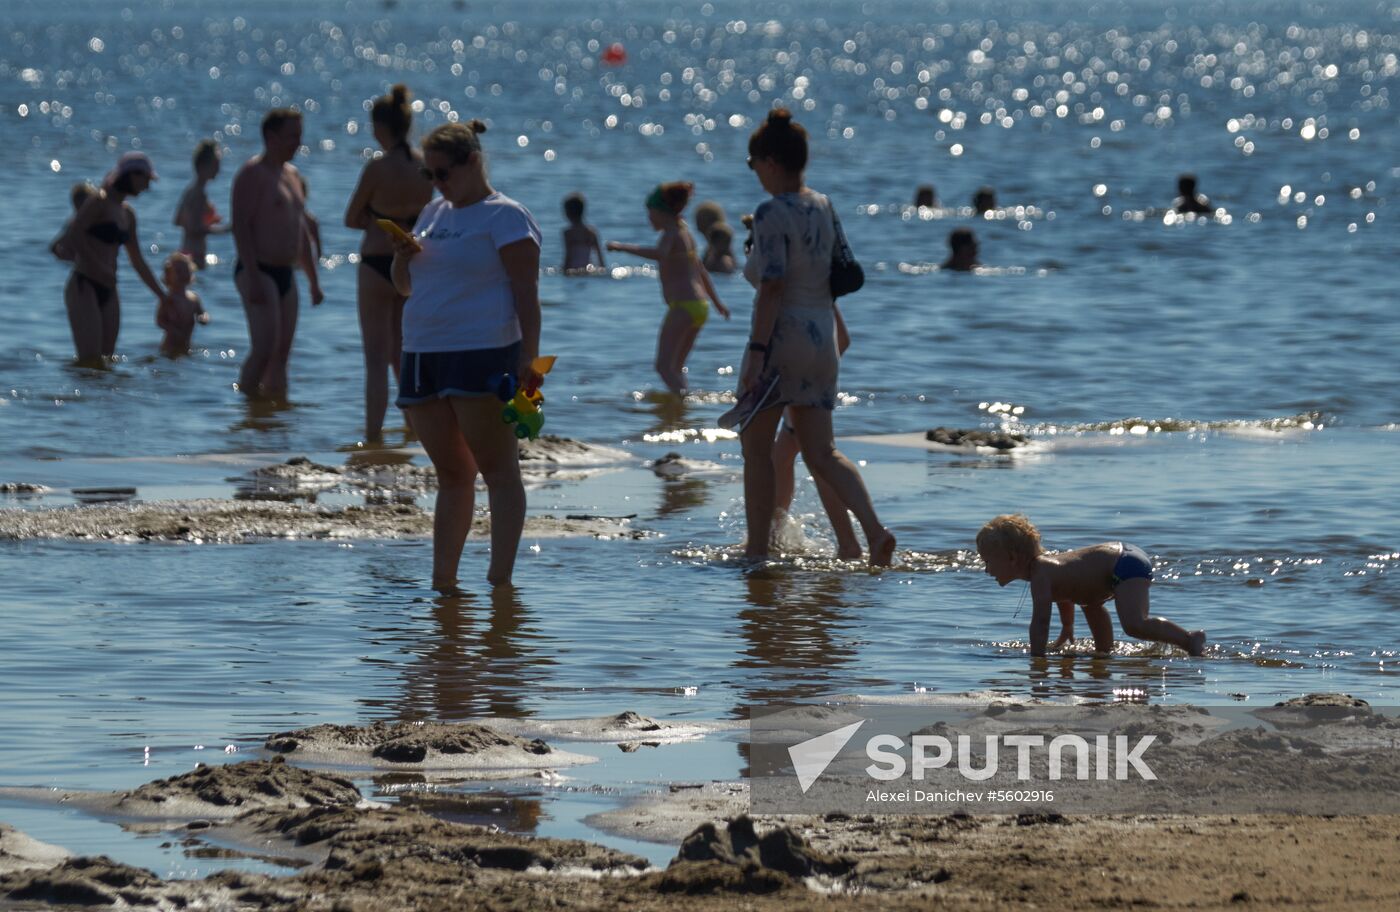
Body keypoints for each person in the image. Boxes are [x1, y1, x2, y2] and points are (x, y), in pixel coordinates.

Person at [387, 119, 542, 590]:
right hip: (423, 354)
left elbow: (527, 297)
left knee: (497, 471)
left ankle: (500, 582)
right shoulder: (434, 213)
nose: (436, 183)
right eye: (428, 175)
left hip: (484, 353)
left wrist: (530, 367)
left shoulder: (506, 216)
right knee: (452, 474)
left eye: (443, 173)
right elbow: (406, 286)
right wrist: (399, 255)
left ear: (472, 162)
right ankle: (445, 584)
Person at [737, 109, 895, 566]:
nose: (755, 175)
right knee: (822, 451)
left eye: (753, 164)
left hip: (783, 340)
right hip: (823, 338)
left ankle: (756, 550)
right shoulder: (823, 205)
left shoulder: (770, 212)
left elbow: (771, 287)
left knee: (756, 449)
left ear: (769, 162)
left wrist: (756, 351)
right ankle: (875, 530)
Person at [975, 514, 1207, 657]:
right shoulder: (1045, 574)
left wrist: (1037, 657)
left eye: (988, 562)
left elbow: (1041, 622)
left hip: (1123, 564)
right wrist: (1067, 628)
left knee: (1135, 624)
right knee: (1089, 603)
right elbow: (1064, 597)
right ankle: (1104, 652)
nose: (986, 570)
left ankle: (1189, 639)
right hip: (1118, 560)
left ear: (1012, 558)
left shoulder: (1040, 575)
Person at [344, 84, 434, 442]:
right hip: (412, 264)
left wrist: (375, 217)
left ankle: (373, 436)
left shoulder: (377, 168)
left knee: (375, 361)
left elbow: (351, 218)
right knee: (404, 355)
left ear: (381, 127)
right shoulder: (425, 167)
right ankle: (415, 430)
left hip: (376, 262)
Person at [230, 107, 324, 400]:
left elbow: (301, 234)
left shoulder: (292, 175)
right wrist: (254, 277)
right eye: (292, 135)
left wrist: (313, 281)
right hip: (257, 269)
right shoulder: (252, 174)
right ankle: (247, 407)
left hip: (286, 272)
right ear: (271, 136)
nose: (298, 142)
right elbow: (241, 228)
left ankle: (274, 419)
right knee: (264, 348)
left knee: (282, 351)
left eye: (299, 135)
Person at [606, 182, 731, 395]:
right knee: (675, 368)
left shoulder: (671, 233)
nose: (649, 219)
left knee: (663, 367)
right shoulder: (686, 233)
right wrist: (718, 303)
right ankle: (682, 411)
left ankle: (684, 401)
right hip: (700, 307)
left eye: (651, 213)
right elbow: (702, 272)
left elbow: (660, 254)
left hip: (683, 306)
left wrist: (622, 247)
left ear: (662, 211)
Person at [52, 152, 170, 366]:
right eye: (145, 179)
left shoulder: (128, 215)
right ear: (131, 175)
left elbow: (138, 261)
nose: (147, 187)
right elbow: (74, 234)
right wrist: (97, 267)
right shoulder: (99, 201)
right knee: (90, 360)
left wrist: (162, 296)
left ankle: (107, 400)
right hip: (84, 284)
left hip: (109, 288)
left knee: (106, 362)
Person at [771, 303, 860, 558]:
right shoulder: (819, 281)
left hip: (799, 374)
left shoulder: (787, 276)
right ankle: (774, 536)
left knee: (820, 459)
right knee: (784, 454)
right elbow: (843, 340)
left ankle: (853, 541)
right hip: (816, 372)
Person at [172, 139, 227, 268]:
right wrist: (226, 229)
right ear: (203, 166)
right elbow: (195, 229)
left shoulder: (190, 190)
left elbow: (177, 220)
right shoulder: (200, 194)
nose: (219, 169)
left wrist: (206, 221)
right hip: (195, 255)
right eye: (216, 164)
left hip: (184, 250)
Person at [157, 252, 209, 356]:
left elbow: (202, 313)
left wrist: (203, 318)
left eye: (186, 271)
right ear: (168, 276)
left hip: (187, 343)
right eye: (178, 271)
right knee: (170, 357)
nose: (183, 274)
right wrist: (171, 329)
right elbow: (159, 320)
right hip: (170, 344)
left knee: (185, 359)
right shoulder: (168, 299)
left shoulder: (194, 298)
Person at [561, 192, 606, 272]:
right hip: (587, 269)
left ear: (567, 213)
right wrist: (603, 269)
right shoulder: (592, 232)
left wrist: (564, 271)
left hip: (572, 270)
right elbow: (600, 257)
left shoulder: (568, 233)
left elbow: (568, 256)